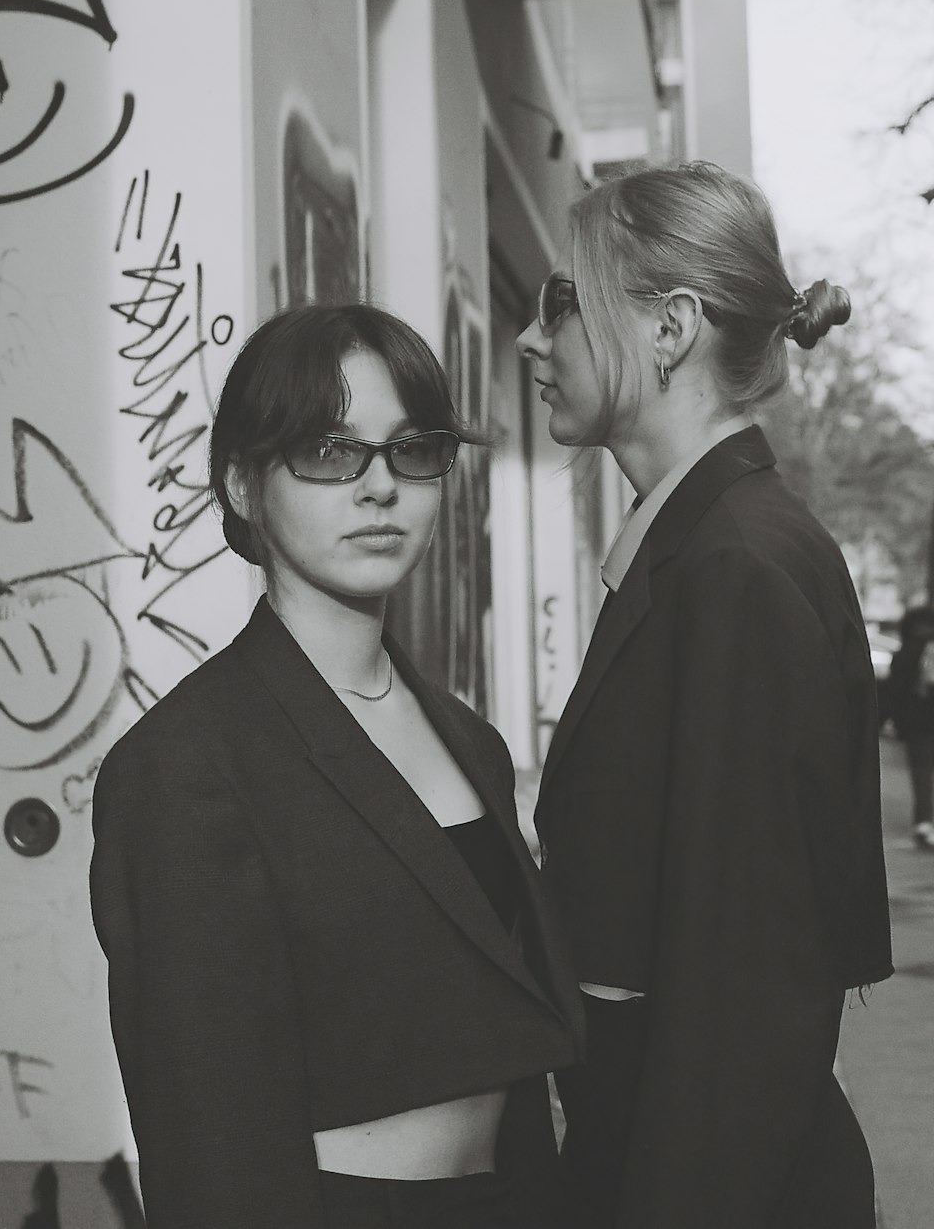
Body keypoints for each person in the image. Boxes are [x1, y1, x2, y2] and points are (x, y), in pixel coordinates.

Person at [90, 303, 583, 1229]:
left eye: (413, 449)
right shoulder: (185, 766)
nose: (379, 487)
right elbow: (205, 1132)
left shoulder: (470, 740)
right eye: (328, 450)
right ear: (242, 484)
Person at [517, 161, 893, 1229]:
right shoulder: (707, 550)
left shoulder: (732, 568)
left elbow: (744, 995)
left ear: (670, 327)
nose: (530, 341)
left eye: (563, 304)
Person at [885, 605, 934, 849]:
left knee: (922, 772)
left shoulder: (905, 652)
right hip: (924, 720)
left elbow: (895, 691)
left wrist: (896, 721)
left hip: (919, 723)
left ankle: (924, 823)